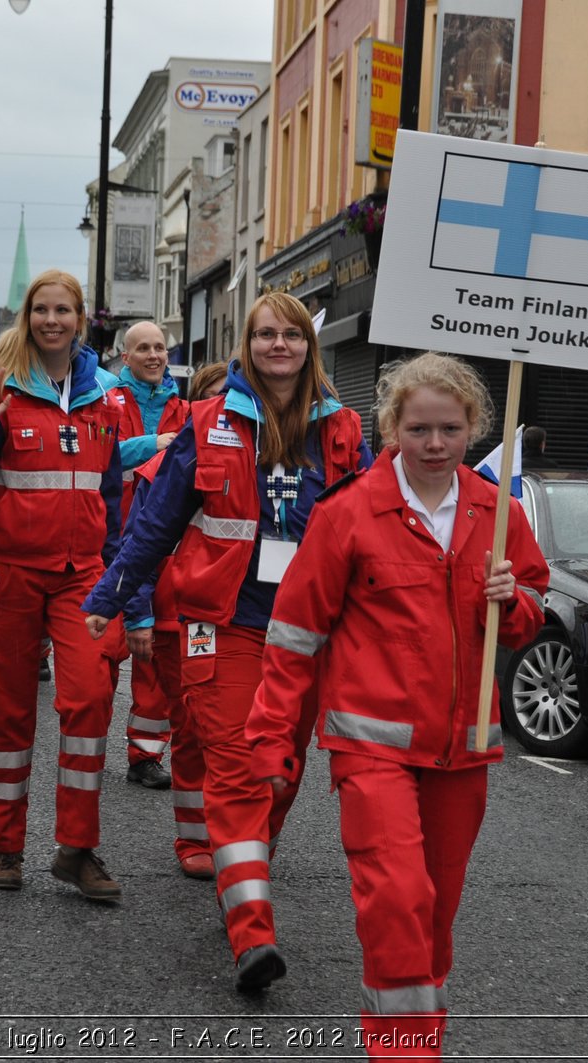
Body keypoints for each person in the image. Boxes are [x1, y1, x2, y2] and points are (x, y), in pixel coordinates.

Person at [247, 352, 549, 1058]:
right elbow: (293, 636)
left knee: (436, 914)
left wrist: (517, 601)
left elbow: (532, 607)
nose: (435, 443)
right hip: (372, 747)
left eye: (449, 427)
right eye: (418, 428)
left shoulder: (495, 513)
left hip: (463, 747)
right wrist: (269, 740)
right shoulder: (348, 512)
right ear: (391, 428)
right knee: (398, 899)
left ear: (474, 425)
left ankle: (418, 1038)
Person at [82, 291, 372, 993]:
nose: (279, 345)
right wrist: (111, 596)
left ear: (309, 346)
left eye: (291, 335)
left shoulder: (341, 430)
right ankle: (253, 933)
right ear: (247, 344)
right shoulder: (209, 421)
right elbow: (156, 519)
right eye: (266, 334)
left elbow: (375, 525)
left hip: (306, 631)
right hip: (225, 624)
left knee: (282, 771)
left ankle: (241, 877)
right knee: (239, 768)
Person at [0, 269, 125, 903]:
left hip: (83, 578)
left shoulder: (106, 395)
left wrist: (121, 575)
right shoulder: (1, 385)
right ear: (28, 316)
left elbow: (111, 495)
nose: (53, 320)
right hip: (10, 572)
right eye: (42, 309)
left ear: (81, 320)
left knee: (90, 699)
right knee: (10, 709)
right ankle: (4, 844)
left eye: (64, 310)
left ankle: (76, 847)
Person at [119, 359, 228, 881]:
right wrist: (136, 612)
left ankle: (241, 832)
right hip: (174, 618)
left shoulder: (268, 460)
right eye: (214, 397)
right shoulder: (161, 466)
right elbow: (138, 542)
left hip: (238, 616)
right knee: (192, 727)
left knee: (239, 732)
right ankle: (196, 835)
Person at [107, 320, 188, 791]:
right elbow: (97, 456)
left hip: (164, 543)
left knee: (154, 652)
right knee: (102, 658)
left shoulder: (186, 408)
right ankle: (85, 744)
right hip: (110, 540)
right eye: (143, 348)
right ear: (125, 357)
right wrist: (152, 445)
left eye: (159, 347)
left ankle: (144, 754)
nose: (154, 355)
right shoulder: (107, 403)